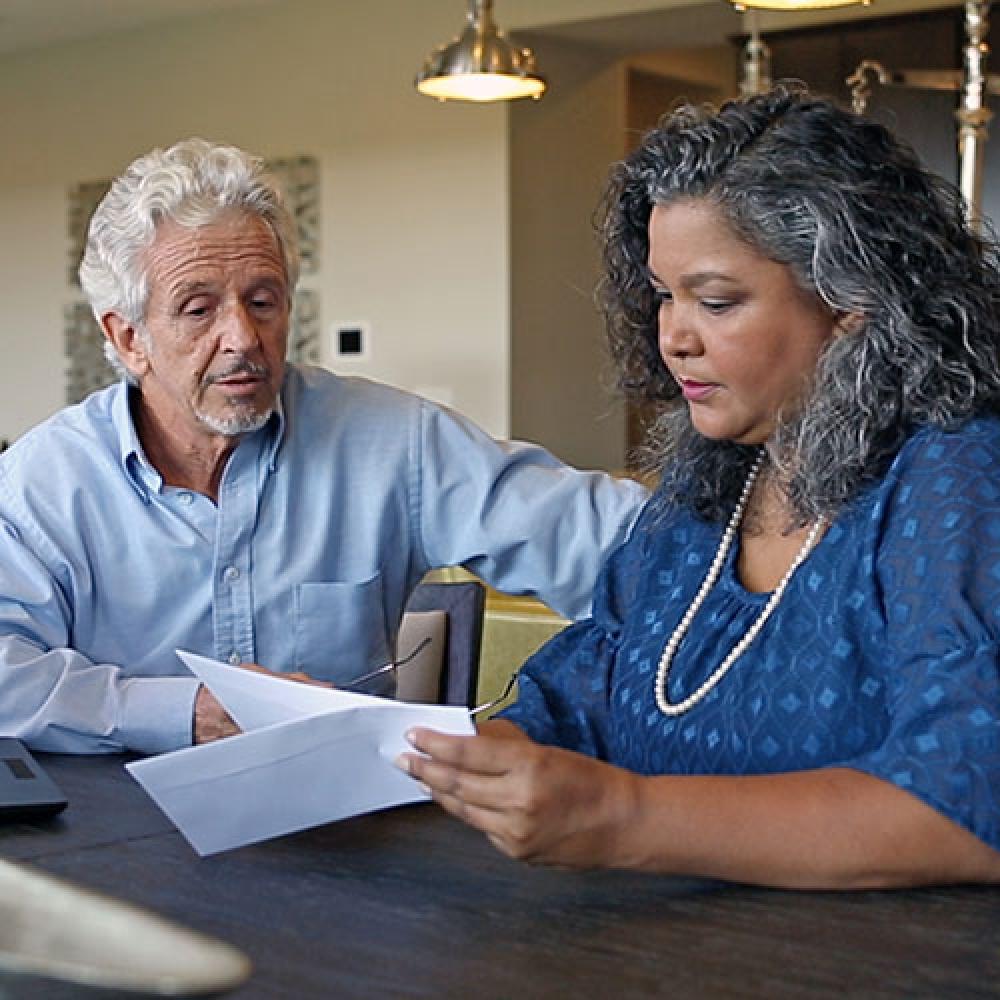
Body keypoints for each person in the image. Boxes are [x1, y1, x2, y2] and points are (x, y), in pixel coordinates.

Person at [398, 83, 1000, 890]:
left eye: (716, 301)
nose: (674, 337)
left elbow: (967, 802)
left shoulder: (953, 477)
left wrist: (625, 818)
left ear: (853, 302)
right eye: (662, 295)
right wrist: (475, 755)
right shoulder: (701, 493)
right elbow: (574, 701)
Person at [0, 138, 647, 756]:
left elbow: (609, 543)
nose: (243, 338)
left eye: (263, 301)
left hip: (339, 839)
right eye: (199, 309)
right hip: (109, 839)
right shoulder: (44, 484)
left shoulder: (395, 442)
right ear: (128, 336)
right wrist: (182, 712)